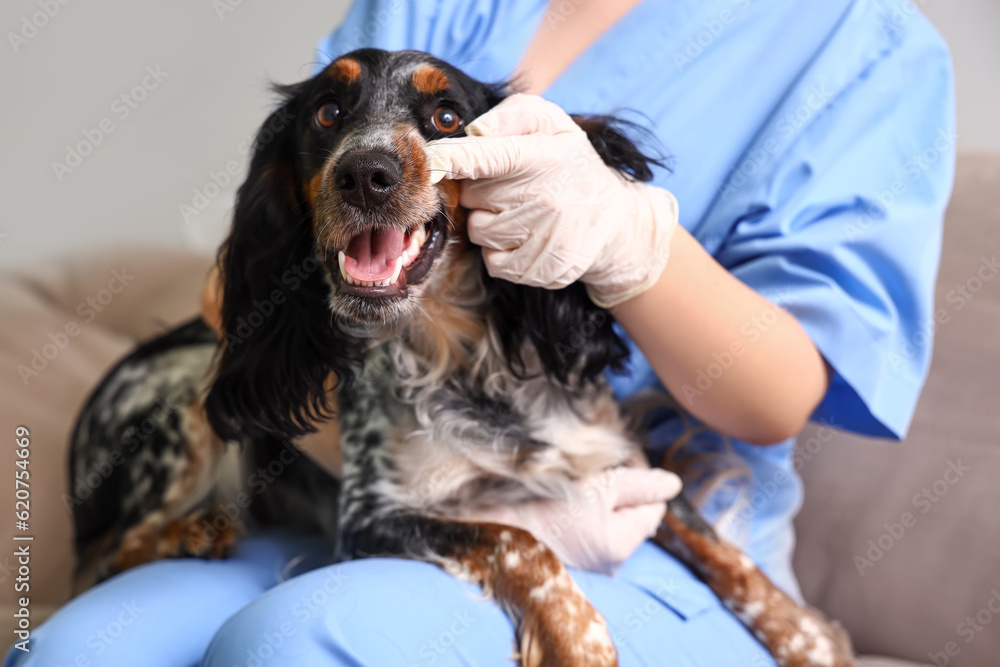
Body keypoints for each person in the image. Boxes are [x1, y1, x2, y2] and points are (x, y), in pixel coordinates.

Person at [8, 0, 955, 665]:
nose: (374, 153)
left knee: (303, 642)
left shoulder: (860, 43)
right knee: (79, 652)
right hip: (349, 487)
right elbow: (252, 275)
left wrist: (629, 241)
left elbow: (778, 395)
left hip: (640, 534)